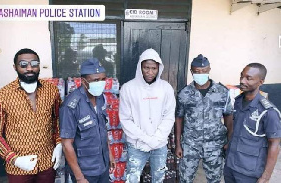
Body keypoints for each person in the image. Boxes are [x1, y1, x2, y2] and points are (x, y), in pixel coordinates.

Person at [0, 48, 62, 183]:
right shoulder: (1, 97)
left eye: (34, 64)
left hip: (47, 162)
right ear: (15, 67)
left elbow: (57, 119)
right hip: (18, 167)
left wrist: (58, 144)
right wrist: (13, 159)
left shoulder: (52, 90)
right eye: (23, 65)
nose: (29, 68)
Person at [119, 48, 176, 182]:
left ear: (159, 68)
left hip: (159, 144)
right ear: (140, 67)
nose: (150, 72)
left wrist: (156, 139)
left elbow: (169, 117)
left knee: (158, 178)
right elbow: (125, 119)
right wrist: (145, 138)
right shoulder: (128, 88)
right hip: (137, 145)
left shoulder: (166, 88)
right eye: (146, 68)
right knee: (132, 178)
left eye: (154, 68)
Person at [175, 54, 234, 183]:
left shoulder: (222, 92)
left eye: (204, 71)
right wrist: (178, 144)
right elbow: (179, 118)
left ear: (209, 70)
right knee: (185, 178)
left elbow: (229, 116)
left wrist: (229, 141)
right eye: (197, 71)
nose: (200, 74)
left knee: (215, 179)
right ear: (191, 72)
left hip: (215, 145)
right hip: (190, 145)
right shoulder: (184, 93)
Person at [60, 58, 115, 183]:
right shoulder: (71, 106)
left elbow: (102, 128)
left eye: (103, 79)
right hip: (85, 171)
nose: (100, 83)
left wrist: (109, 154)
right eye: (96, 80)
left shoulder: (100, 98)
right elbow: (66, 144)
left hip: (103, 165)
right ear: (84, 82)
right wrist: (79, 178)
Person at [224, 63, 281, 183]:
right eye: (241, 76)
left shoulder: (268, 112)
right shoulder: (238, 102)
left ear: (260, 82)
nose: (242, 81)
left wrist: (265, 177)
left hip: (249, 172)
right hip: (231, 166)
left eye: (248, 78)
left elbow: (274, 144)